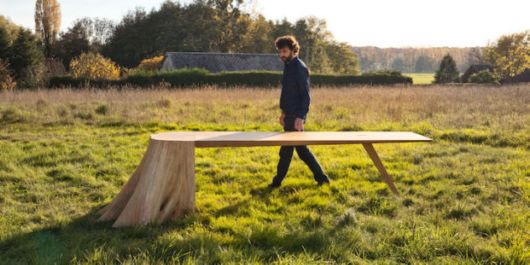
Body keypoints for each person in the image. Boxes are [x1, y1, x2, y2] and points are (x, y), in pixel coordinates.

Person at [268, 35, 331, 188]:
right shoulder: (288, 66)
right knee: (300, 150)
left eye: (284, 51)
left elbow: (305, 95)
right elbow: (287, 93)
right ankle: (322, 179)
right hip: (288, 115)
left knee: (287, 151)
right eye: (280, 52)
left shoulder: (299, 68)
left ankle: (277, 183)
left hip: (296, 117)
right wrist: (283, 112)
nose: (281, 55)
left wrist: (300, 117)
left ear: (292, 50)